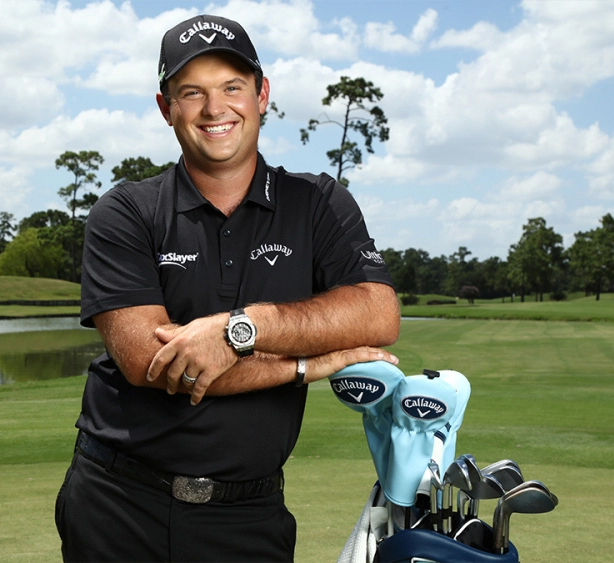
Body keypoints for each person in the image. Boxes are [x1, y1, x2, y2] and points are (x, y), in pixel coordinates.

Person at [54, 13, 401, 562]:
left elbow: (377, 312)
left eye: (232, 87)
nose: (215, 109)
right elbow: (151, 362)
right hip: (117, 504)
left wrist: (238, 330)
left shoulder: (318, 204)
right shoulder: (126, 211)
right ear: (166, 108)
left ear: (262, 95)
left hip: (248, 513)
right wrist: (304, 365)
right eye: (192, 92)